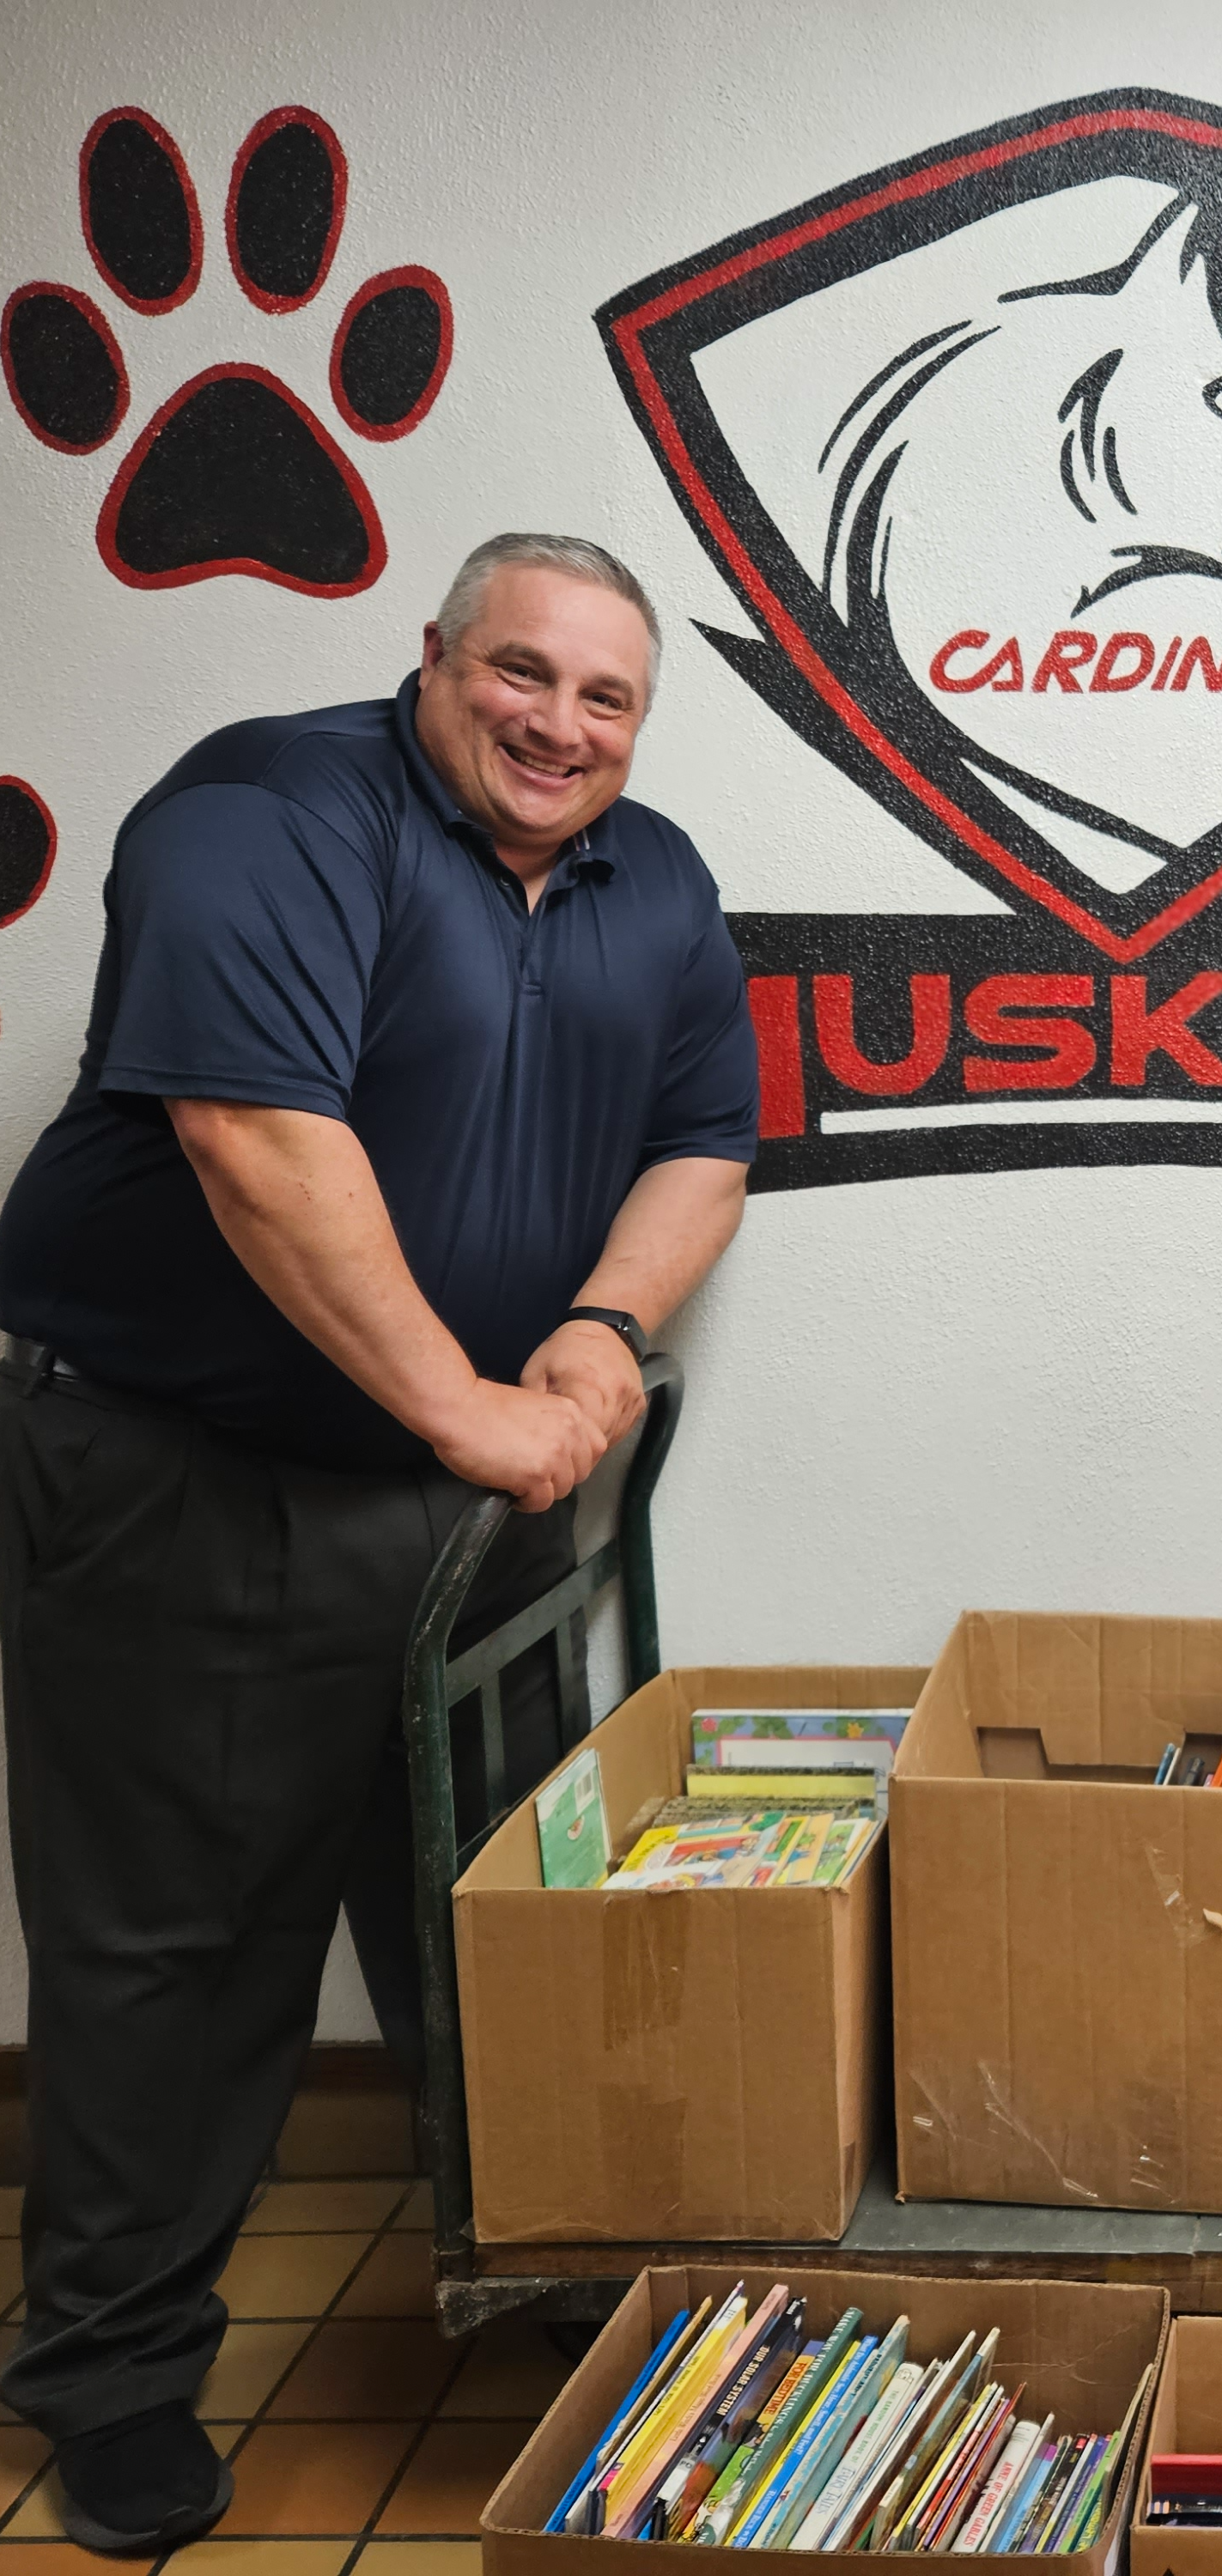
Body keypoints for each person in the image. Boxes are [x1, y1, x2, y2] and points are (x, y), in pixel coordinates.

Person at [0, 533, 758, 2549]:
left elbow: (706, 1143)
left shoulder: (655, 876)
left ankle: (527, 2275)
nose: (560, 727)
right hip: (188, 1472)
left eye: (607, 700)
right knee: (182, 1944)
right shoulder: (267, 810)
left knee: (491, 1909)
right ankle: (111, 2372)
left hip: (473, 1505)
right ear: (430, 661)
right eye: (521, 675)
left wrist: (598, 1333)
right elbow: (251, 1134)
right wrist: (471, 1407)